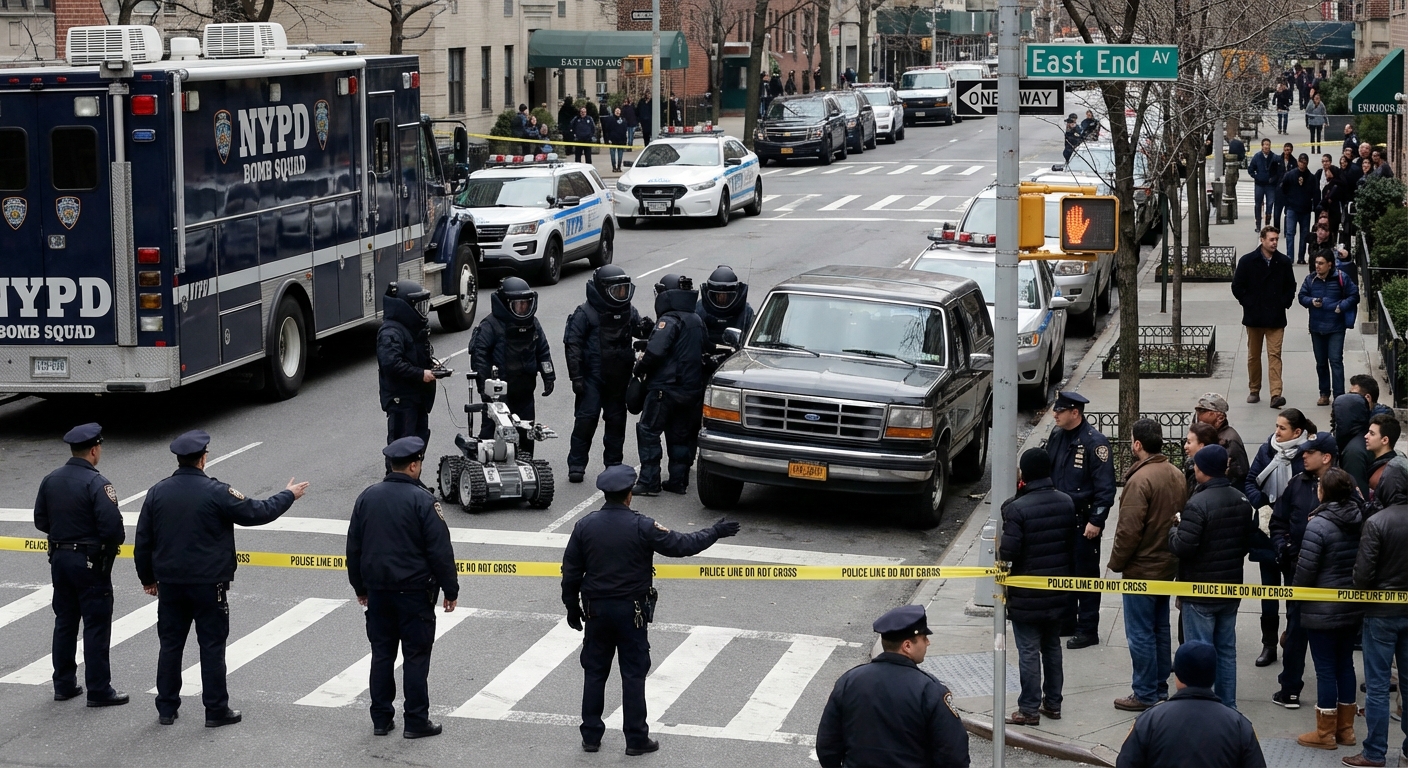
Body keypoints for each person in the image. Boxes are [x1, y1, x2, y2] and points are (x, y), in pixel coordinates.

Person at [561, 465, 740, 755]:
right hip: (632, 613)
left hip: (596, 612)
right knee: (633, 674)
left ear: (605, 493)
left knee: (594, 672)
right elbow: (682, 545)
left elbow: (571, 571)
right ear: (629, 495)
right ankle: (636, 739)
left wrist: (572, 607)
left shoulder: (585, 526)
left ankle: (591, 737)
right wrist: (715, 531)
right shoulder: (642, 526)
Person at [134, 430, 308, 726]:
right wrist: (288, 495)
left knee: (171, 645)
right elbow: (258, 512)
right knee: (212, 647)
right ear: (203, 459)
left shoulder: (157, 492)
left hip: (171, 586)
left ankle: (166, 708)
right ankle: (215, 710)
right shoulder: (217, 492)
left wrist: (147, 579)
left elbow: (143, 541)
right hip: (208, 586)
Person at [346, 437, 458, 739]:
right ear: (413, 465)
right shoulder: (423, 501)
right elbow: (440, 551)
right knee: (415, 657)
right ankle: (416, 721)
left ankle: (381, 719)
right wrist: (451, 590)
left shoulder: (367, 497)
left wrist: (359, 586)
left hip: (379, 593)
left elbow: (353, 547)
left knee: (382, 654)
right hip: (415, 594)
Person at [33, 423, 127, 707]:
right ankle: (99, 689)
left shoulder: (51, 479)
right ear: (94, 450)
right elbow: (113, 529)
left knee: (65, 622)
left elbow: (41, 520)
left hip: (60, 559)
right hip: (88, 561)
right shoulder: (98, 483)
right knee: (96, 625)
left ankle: (63, 684)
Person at [816, 605, 969, 768]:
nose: (928, 642)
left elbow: (827, 745)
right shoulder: (929, 690)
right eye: (924, 638)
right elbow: (954, 756)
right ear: (907, 646)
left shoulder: (849, 681)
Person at [1107, 418, 1185, 711]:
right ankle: (1159, 687)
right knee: (1159, 628)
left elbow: (1128, 530)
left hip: (1142, 568)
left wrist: (1116, 562)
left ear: (1138, 445)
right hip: (1167, 565)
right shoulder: (1175, 473)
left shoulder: (1140, 480)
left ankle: (1144, 692)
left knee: (1140, 632)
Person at [1169, 444, 1255, 711]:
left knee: (1200, 654)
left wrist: (1173, 529)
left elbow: (1183, 546)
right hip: (1230, 589)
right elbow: (1245, 544)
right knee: (1226, 652)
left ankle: (1202, 710)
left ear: (1203, 469)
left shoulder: (1197, 504)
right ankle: (1228, 707)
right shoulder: (1241, 500)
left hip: (1200, 592)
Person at [999, 448, 1075, 726]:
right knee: (1052, 646)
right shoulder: (1066, 502)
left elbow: (1008, 552)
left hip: (1026, 593)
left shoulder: (1018, 508)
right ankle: (1053, 703)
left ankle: (1029, 708)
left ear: (1025, 474)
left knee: (1029, 650)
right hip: (1057, 590)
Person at [1290, 466, 1363, 750]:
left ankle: (1325, 733)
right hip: (1351, 605)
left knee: (1325, 669)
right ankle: (1346, 729)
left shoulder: (1318, 525)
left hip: (1321, 608)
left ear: (1324, 492)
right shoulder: (1359, 519)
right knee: (1346, 664)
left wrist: (1296, 595)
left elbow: (1306, 571)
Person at [1115, 641, 1267, 768]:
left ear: (1178, 676)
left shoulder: (1149, 721)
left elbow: (1126, 763)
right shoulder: (1239, 726)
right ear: (1213, 676)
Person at [563, 266, 652, 483]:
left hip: (618, 377)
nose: (621, 295)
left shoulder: (628, 311)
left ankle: (613, 465)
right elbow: (572, 345)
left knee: (616, 423)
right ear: (603, 290)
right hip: (592, 377)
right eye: (616, 290)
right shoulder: (585, 313)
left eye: (623, 290)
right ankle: (576, 464)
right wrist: (576, 377)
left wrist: (646, 327)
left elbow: (638, 331)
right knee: (586, 420)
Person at [1270, 430, 1338, 710]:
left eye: (1310, 452)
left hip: (1331, 577)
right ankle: (1290, 688)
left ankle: (1334, 697)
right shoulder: (1296, 484)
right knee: (1296, 628)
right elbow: (1278, 522)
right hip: (1297, 571)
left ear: (1326, 457)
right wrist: (1283, 547)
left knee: (1331, 637)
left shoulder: (1345, 487)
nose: (1304, 456)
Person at [1347, 458, 1408, 768]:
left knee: (1378, 685)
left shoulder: (1377, 522)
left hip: (1381, 613)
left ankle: (1374, 752)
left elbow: (1362, 577)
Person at [1046, 391, 1115, 649]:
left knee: (1085, 575)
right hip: (1060, 518)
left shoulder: (1094, 443)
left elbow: (1105, 488)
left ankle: (1087, 629)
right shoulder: (1056, 435)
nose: (1055, 414)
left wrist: (1096, 520)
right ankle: (1067, 621)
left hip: (1083, 520)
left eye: (1060, 411)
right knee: (1063, 572)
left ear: (1075, 413)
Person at [1246, 408, 1316, 666]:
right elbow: (1251, 480)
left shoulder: (1307, 454)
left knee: (1293, 594)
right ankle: (1268, 644)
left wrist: (1290, 512)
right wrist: (1263, 504)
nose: (1277, 432)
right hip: (1266, 531)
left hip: (1293, 534)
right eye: (1276, 426)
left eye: (1282, 428)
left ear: (1297, 432)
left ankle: (1291, 641)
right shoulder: (1267, 449)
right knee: (1269, 593)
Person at [633, 274, 709, 496]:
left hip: (664, 390)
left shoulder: (669, 320)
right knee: (680, 436)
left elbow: (656, 352)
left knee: (648, 431)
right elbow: (704, 347)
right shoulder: (696, 319)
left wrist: (639, 367)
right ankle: (678, 481)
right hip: (689, 391)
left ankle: (649, 482)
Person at [469, 277, 555, 456]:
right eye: (518, 305)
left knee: (526, 432)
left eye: (525, 304)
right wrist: (485, 389)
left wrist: (549, 376)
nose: (523, 308)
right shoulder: (490, 326)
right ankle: (485, 468)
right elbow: (480, 358)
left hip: (525, 391)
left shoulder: (533, 324)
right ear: (506, 304)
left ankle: (526, 465)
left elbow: (543, 351)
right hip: (498, 395)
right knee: (492, 432)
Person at [1232, 226, 1297, 408]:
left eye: (1276, 239)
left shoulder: (1283, 262)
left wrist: (1284, 302)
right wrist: (1248, 302)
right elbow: (1237, 286)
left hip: (1275, 317)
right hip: (1254, 317)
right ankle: (1254, 389)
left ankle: (1276, 394)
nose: (1274, 242)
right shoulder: (1247, 261)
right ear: (1262, 240)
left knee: (1274, 354)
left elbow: (1291, 286)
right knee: (1253, 356)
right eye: (1271, 239)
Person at [378, 280, 436, 455]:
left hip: (417, 398)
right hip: (401, 400)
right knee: (401, 448)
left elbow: (416, 355)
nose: (422, 311)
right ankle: (397, 481)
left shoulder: (412, 329)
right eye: (419, 305)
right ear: (405, 307)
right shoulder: (390, 332)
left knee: (418, 444)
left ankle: (413, 481)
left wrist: (432, 365)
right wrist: (421, 374)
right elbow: (392, 364)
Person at [1299, 249, 1359, 404]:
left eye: (1321, 263)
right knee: (1321, 362)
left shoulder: (1341, 277)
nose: (1317, 266)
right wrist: (1311, 302)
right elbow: (1301, 296)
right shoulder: (1311, 279)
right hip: (1316, 327)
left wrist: (1342, 306)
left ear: (1329, 264)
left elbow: (1354, 295)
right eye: (1316, 263)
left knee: (1335, 360)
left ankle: (1338, 396)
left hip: (1336, 327)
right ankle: (1324, 393)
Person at [696, 265, 755, 376]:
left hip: (735, 362)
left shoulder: (746, 311)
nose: (722, 299)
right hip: (704, 361)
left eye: (726, 296)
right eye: (718, 296)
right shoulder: (700, 309)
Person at [1194, 393, 1249, 489]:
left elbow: (1238, 475)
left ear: (1220, 417)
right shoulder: (1212, 435)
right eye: (1198, 411)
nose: (1199, 415)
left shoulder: (1229, 441)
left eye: (1203, 411)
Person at [1335, 393, 1374, 495]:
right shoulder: (1361, 438)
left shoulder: (1353, 453)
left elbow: (1357, 494)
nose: (1332, 417)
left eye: (1336, 414)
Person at [1282, 153, 1316, 264]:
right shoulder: (1290, 175)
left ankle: (1301, 257)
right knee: (1290, 233)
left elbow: (1314, 193)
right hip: (1292, 208)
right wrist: (1287, 202)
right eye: (1301, 162)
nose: (1302, 164)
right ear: (1298, 162)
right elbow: (1283, 188)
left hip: (1305, 209)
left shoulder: (1311, 177)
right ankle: (1290, 257)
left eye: (1304, 162)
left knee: (1304, 234)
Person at [1365, 413, 1401, 512]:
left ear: (1385, 440)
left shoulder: (1385, 472)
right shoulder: (1382, 464)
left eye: (1372, 434)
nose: (1366, 436)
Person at [1248, 139, 1284, 231]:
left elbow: (1279, 171)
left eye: (1268, 145)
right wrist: (1256, 176)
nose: (1266, 147)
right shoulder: (1257, 157)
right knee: (1258, 204)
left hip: (1270, 185)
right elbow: (1251, 169)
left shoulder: (1275, 157)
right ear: (1262, 146)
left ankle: (1267, 224)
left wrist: (1274, 179)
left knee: (1270, 204)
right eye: (1265, 145)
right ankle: (1258, 225)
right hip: (1259, 184)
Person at [1184, 421, 1222, 494]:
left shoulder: (1203, 474)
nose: (1185, 446)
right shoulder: (1192, 468)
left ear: (1201, 445)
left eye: (1189, 442)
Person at [602, 106, 628, 172]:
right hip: (612, 140)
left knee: (620, 155)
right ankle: (614, 167)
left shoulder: (623, 120)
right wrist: (607, 139)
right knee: (613, 155)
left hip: (621, 140)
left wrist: (625, 140)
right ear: (614, 111)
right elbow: (607, 130)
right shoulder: (610, 119)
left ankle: (619, 167)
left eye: (619, 110)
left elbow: (625, 130)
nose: (617, 112)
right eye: (616, 110)